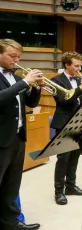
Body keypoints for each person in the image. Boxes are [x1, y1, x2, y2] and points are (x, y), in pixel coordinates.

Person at [0, 39, 42, 230]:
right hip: (1, 139)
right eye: (12, 56)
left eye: (19, 57)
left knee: (11, 184)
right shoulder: (19, 81)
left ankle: (11, 223)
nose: (16, 60)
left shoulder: (16, 79)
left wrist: (37, 87)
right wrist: (25, 82)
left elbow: (31, 104)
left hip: (17, 137)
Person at [50, 51, 82, 205]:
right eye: (76, 66)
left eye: (80, 66)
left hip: (79, 123)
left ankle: (71, 186)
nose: (79, 69)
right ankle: (59, 191)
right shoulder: (56, 80)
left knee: (75, 156)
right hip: (63, 123)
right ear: (66, 65)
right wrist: (81, 88)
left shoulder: (78, 79)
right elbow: (63, 101)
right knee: (63, 159)